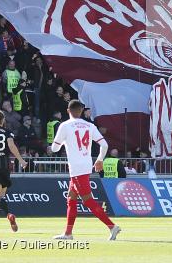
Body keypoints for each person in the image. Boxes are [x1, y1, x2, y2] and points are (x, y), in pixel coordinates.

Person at [50, 99, 121, 241]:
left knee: (88, 201)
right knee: (71, 199)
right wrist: (100, 159)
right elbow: (104, 145)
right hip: (85, 166)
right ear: (81, 111)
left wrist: (63, 142)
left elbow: (54, 148)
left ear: (68, 111)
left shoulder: (65, 126)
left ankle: (112, 226)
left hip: (76, 168)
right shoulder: (89, 125)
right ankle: (68, 233)